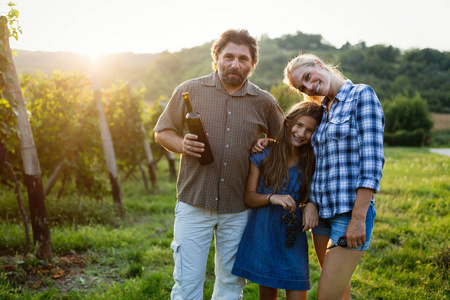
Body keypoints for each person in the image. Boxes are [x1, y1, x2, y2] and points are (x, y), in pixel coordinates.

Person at [154, 29, 285, 299]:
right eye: (228, 57)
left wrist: (266, 146)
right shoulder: (189, 90)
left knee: (230, 285)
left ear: (252, 64)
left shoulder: (265, 102)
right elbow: (162, 131)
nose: (235, 64)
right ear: (216, 59)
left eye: (243, 59)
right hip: (194, 202)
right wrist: (182, 145)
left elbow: (284, 144)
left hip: (238, 207)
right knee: (187, 284)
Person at [283, 53, 385, 300]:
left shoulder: (362, 95)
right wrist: (310, 204)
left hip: (349, 214)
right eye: (302, 87)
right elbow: (317, 165)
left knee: (326, 295)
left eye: (307, 77)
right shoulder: (322, 110)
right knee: (340, 293)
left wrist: (358, 218)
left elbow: (372, 163)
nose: (309, 87)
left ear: (318, 64)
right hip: (321, 217)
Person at [232, 101, 323, 300]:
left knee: (298, 288)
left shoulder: (311, 160)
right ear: (288, 122)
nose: (301, 133)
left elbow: (314, 192)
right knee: (267, 294)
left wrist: (311, 204)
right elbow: (249, 197)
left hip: (293, 235)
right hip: (264, 232)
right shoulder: (264, 153)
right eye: (299, 125)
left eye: (309, 130)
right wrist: (272, 197)